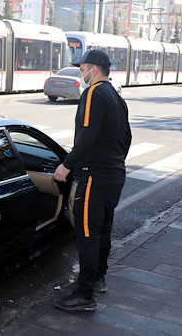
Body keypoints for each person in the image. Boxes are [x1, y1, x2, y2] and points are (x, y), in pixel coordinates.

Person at [53, 50, 132, 311]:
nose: (80, 73)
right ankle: (98, 278)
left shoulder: (93, 93)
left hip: (95, 177)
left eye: (82, 68)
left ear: (94, 70)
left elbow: (87, 134)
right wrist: (114, 164)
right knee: (103, 230)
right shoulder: (118, 98)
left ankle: (85, 295)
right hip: (113, 175)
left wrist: (67, 165)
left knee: (86, 234)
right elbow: (127, 138)